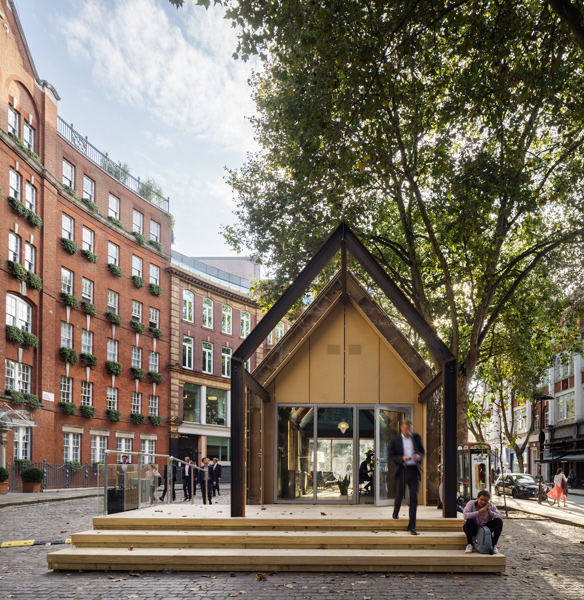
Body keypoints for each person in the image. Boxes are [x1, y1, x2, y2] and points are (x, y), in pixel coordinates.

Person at [389, 419, 425, 535]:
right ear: (401, 428)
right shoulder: (395, 440)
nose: (408, 431)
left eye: (410, 429)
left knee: (414, 497)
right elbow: (391, 455)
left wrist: (418, 456)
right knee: (399, 493)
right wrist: (401, 458)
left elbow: (422, 451)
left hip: (414, 470)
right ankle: (396, 512)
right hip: (402, 470)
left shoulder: (416, 437)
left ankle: (412, 526)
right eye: (406, 429)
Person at [462, 489, 503, 554]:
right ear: (477, 498)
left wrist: (490, 512)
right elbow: (465, 515)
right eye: (481, 499)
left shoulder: (490, 506)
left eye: (486, 501)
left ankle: (494, 544)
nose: (483, 502)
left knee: (498, 521)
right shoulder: (471, 503)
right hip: (472, 528)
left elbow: (500, 517)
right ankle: (469, 544)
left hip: (484, 529)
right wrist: (479, 512)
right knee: (470, 520)